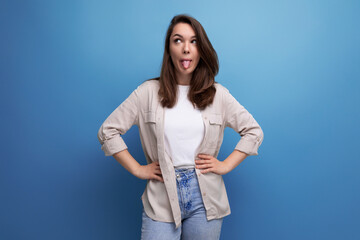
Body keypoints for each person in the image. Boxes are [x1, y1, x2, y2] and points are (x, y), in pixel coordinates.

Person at [97, 14, 264, 240]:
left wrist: (225, 165)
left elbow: (253, 131)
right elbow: (108, 131)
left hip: (206, 199)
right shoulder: (147, 92)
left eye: (193, 41)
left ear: (201, 49)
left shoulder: (218, 95)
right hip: (161, 195)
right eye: (178, 40)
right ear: (169, 48)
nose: (186, 48)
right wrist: (138, 169)